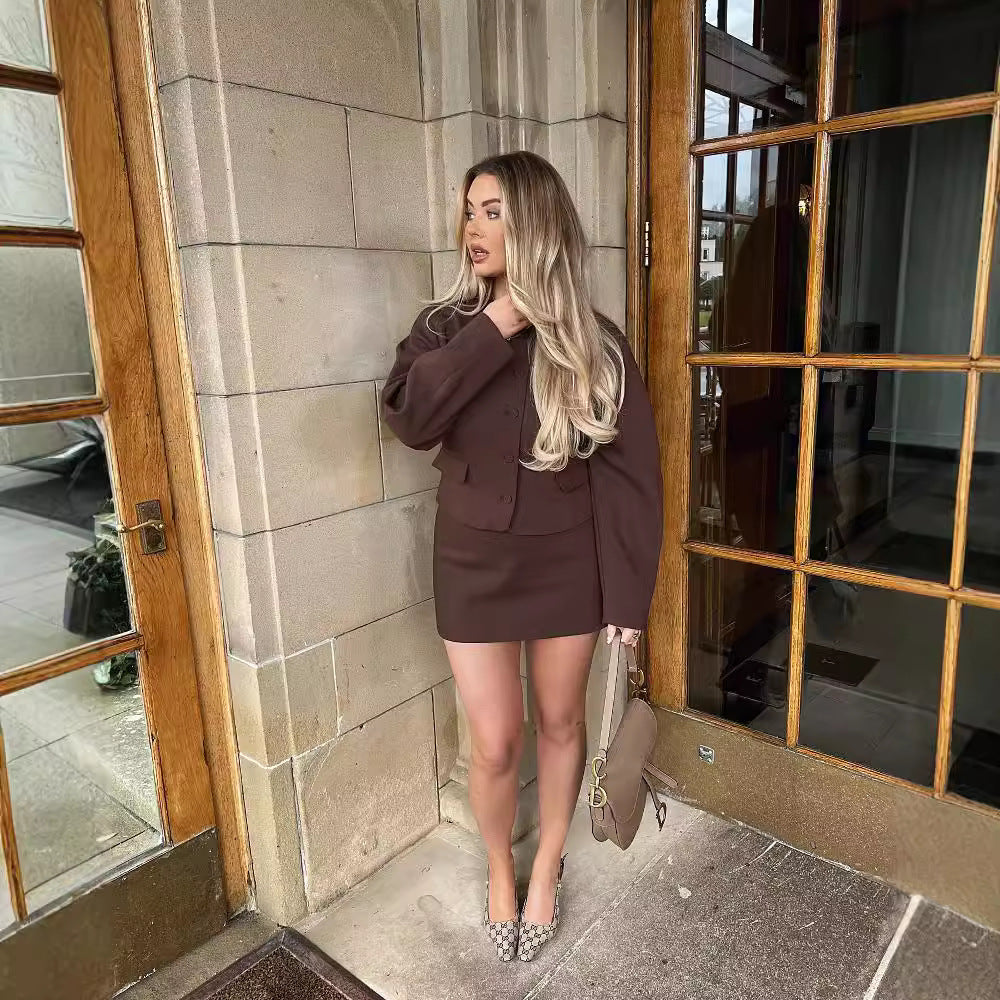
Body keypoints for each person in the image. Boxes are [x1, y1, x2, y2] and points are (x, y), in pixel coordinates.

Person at [379, 151, 663, 963]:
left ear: (535, 223)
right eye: (470, 211)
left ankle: (546, 869)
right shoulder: (445, 328)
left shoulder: (593, 343)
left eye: (494, 211)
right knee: (498, 740)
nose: (473, 228)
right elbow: (408, 419)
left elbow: (631, 480)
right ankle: (500, 869)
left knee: (562, 722)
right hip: (471, 562)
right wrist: (496, 325)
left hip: (568, 564)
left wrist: (627, 602)